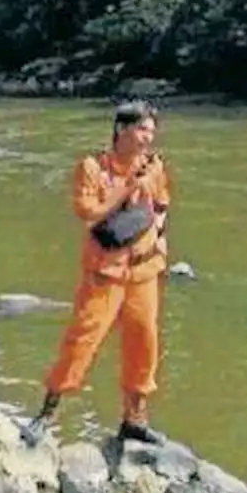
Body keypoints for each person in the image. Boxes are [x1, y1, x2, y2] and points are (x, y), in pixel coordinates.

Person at [21, 100, 172, 448]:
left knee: (143, 342)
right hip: (105, 273)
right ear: (122, 129)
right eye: (142, 129)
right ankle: (47, 414)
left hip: (144, 272)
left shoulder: (155, 165)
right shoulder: (92, 167)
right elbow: (88, 212)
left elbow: (162, 202)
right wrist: (126, 188)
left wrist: (158, 237)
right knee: (81, 342)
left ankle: (135, 420)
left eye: (152, 131)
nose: (148, 138)